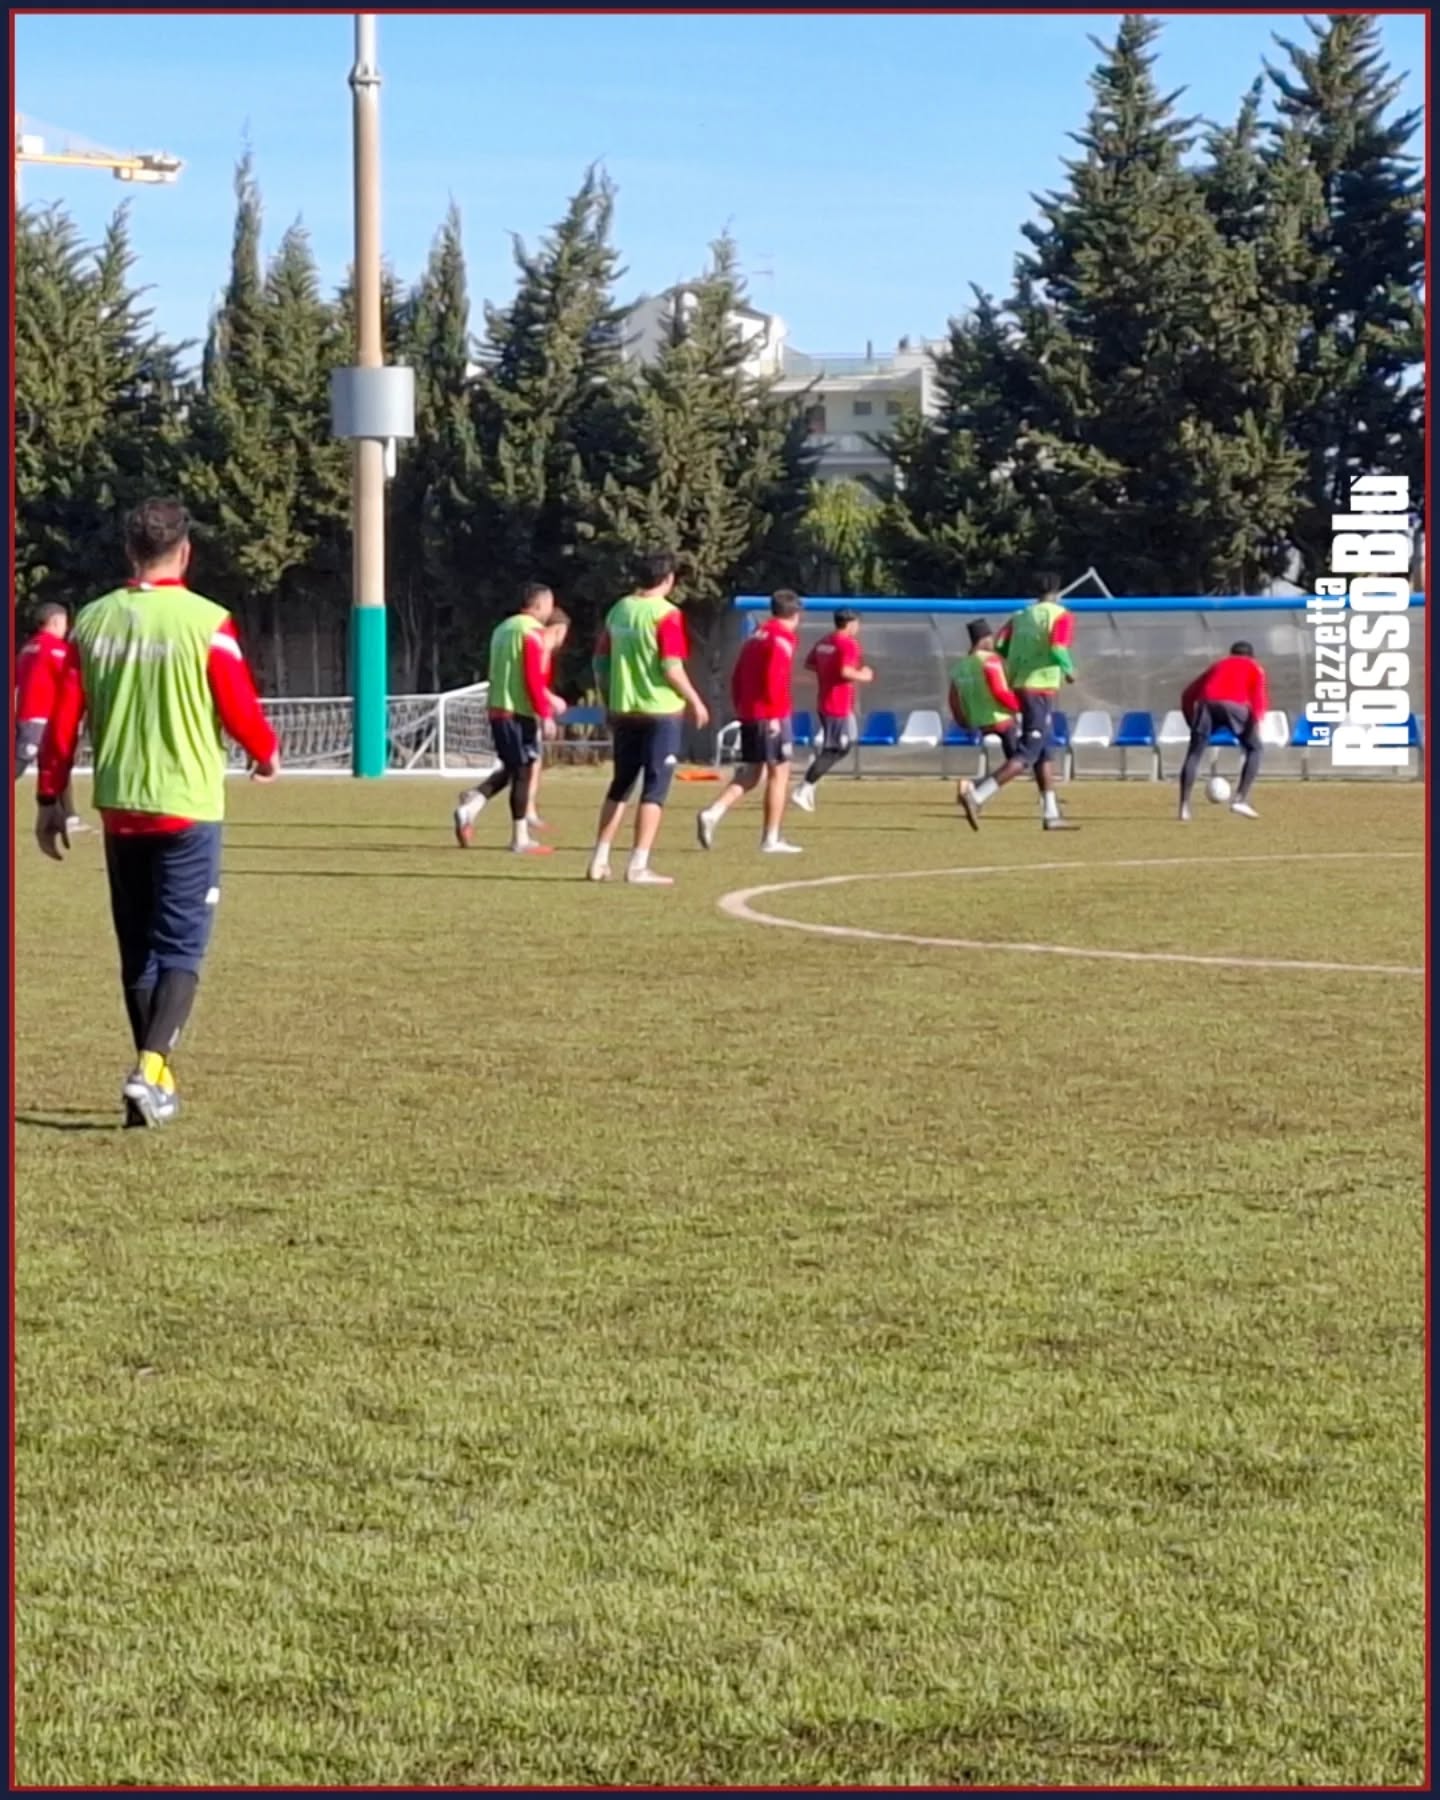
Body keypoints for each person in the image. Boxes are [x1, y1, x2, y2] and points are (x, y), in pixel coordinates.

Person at [35, 498, 279, 1129]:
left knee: (137, 950)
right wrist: (264, 751)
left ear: (128, 552)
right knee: (181, 949)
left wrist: (49, 800)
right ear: (186, 551)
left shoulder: (92, 621)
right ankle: (148, 1070)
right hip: (187, 805)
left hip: (120, 806)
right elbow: (237, 703)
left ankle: (154, 1082)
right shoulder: (206, 622)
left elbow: (64, 723)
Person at [586, 550, 709, 887]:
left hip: (625, 710)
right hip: (660, 711)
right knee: (655, 788)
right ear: (668, 579)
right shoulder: (666, 615)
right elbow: (671, 667)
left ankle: (599, 859)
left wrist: (610, 700)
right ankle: (638, 865)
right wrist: (695, 700)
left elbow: (599, 663)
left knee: (620, 784)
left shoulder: (619, 610)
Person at [957, 579, 1078, 832]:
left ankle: (1051, 814)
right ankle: (978, 795)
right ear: (1057, 593)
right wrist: (1068, 670)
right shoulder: (1061, 615)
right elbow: (1057, 647)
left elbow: (1000, 644)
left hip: (1021, 685)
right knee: (1028, 753)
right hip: (1040, 688)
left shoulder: (1020, 616)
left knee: (1044, 751)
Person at [452, 582, 561, 854]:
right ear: (538, 605)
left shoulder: (502, 630)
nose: (550, 611)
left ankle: (472, 804)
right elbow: (532, 677)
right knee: (523, 770)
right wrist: (545, 713)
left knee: (514, 767)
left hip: (497, 709)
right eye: (549, 605)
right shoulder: (532, 633)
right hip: (517, 710)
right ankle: (519, 838)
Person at [696, 590, 805, 854]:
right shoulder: (782, 637)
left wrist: (743, 708)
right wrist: (775, 716)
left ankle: (713, 812)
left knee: (753, 774)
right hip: (770, 714)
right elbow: (774, 678)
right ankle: (771, 838)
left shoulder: (756, 636)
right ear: (796, 614)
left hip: (750, 713)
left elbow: (737, 676)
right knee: (780, 773)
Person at [948, 618, 1030, 827]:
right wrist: (1019, 708)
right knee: (1021, 760)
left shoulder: (960, 667)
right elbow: (1000, 691)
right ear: (984, 639)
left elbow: (954, 700)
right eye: (990, 638)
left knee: (1016, 762)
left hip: (978, 723)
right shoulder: (990, 661)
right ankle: (974, 788)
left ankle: (975, 790)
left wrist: (964, 721)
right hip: (1000, 720)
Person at [792, 607, 874, 812]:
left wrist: (827, 670)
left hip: (829, 702)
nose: (858, 627)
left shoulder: (825, 641)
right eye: (857, 623)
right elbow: (846, 671)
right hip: (836, 703)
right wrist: (864, 675)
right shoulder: (848, 644)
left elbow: (810, 664)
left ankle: (814, 770)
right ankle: (804, 787)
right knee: (835, 748)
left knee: (844, 744)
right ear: (851, 623)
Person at [1177, 640, 1268, 822]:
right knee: (1255, 749)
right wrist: (1256, 721)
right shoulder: (1254, 667)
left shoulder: (1218, 665)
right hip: (1234, 705)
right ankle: (1240, 799)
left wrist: (1191, 722)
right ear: (1251, 655)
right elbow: (1258, 696)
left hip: (1206, 704)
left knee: (1194, 753)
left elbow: (1187, 694)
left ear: (1231, 653)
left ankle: (1184, 807)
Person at [14, 602, 83, 832]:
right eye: (64, 623)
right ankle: (68, 815)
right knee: (21, 761)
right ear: (55, 622)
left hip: (28, 714)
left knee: (57, 762)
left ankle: (69, 816)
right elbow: (71, 680)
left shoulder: (27, 648)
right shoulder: (57, 650)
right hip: (43, 716)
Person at [523, 608, 570, 834]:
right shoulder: (540, 647)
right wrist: (548, 710)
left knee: (533, 764)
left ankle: (529, 810)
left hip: (531, 710)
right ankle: (475, 800)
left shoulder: (543, 649)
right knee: (526, 765)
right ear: (558, 629)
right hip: (526, 711)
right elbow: (533, 681)